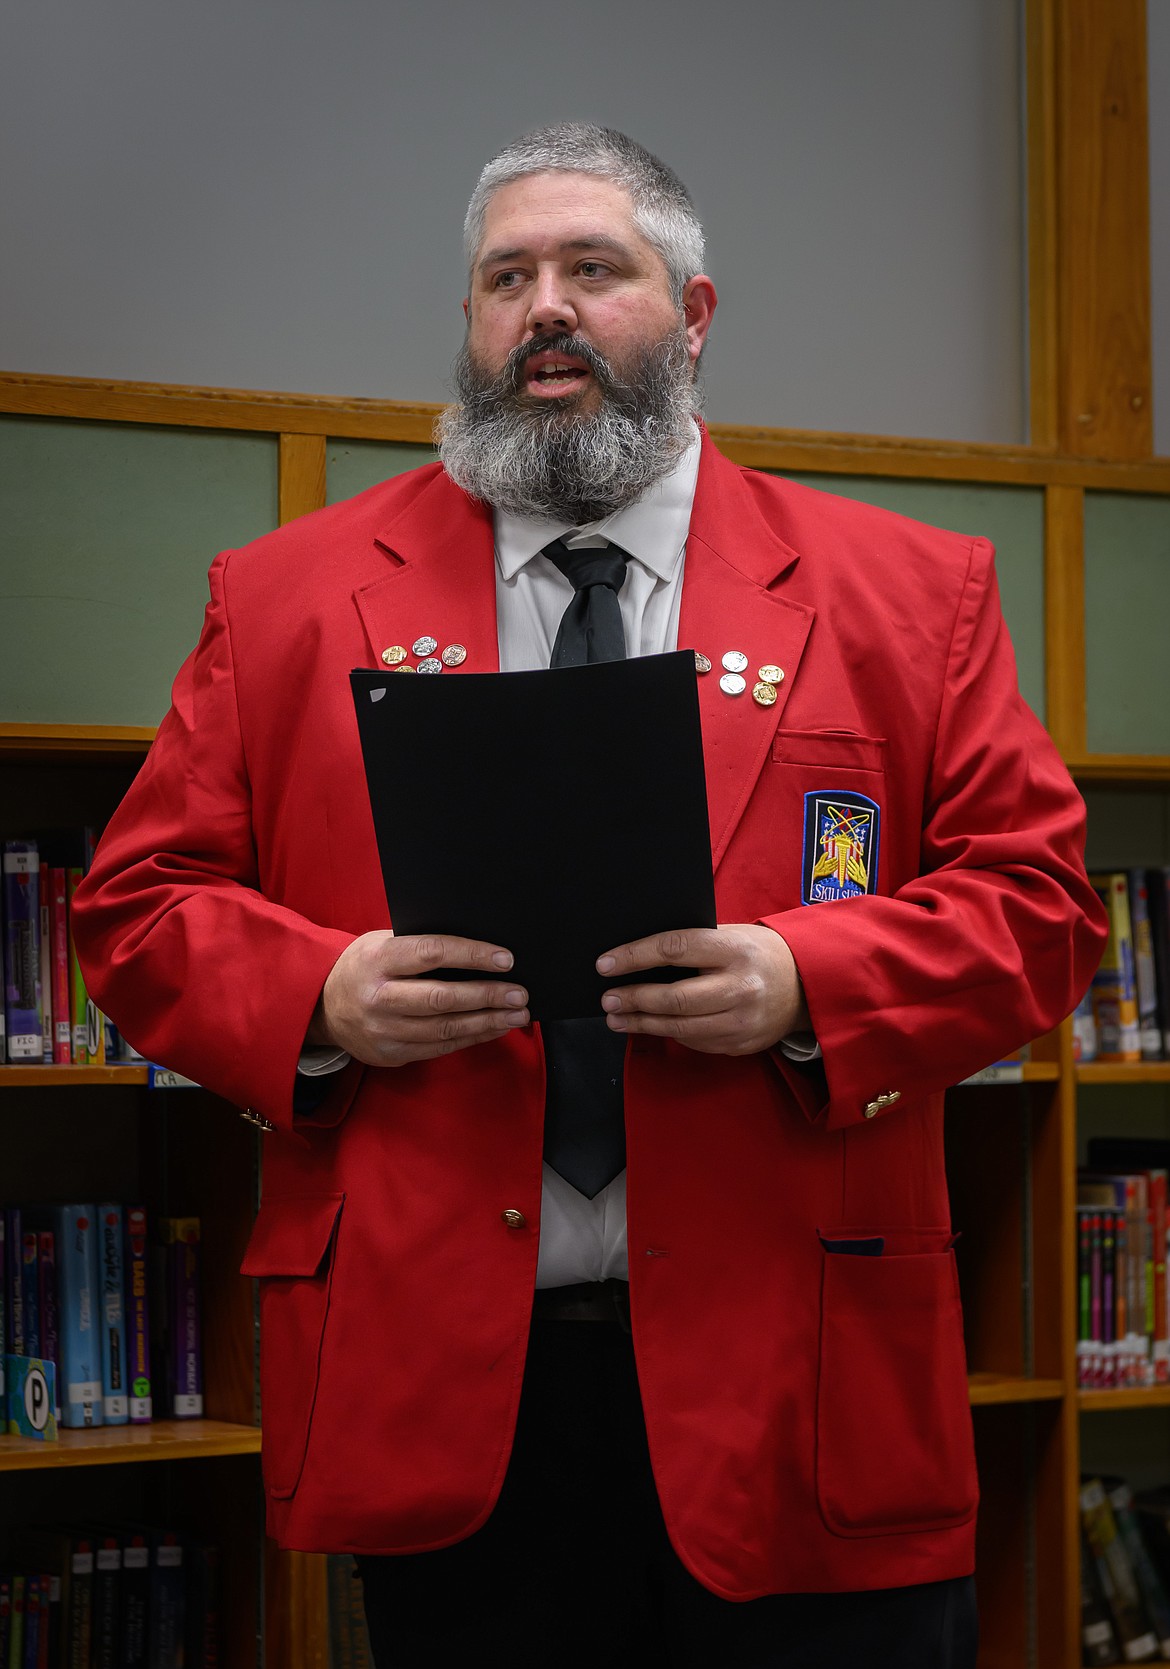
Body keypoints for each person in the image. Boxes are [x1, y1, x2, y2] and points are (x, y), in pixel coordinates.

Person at [74, 124, 1106, 1667]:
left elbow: (1038, 903)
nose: (541, 306)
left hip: (802, 1381)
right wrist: (319, 998)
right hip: (445, 1397)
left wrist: (808, 980)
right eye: (505, 277)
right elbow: (139, 905)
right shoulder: (285, 596)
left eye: (591, 269)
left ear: (689, 315)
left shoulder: (907, 589)